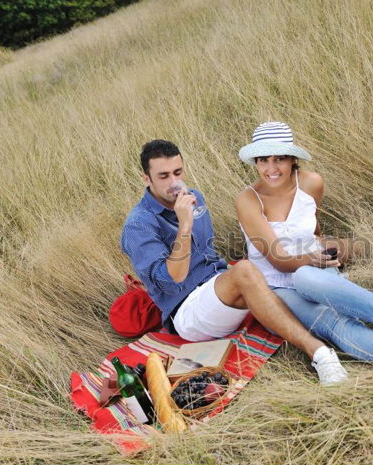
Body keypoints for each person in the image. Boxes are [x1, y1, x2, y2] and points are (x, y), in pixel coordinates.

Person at [121, 139, 348, 386]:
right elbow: (171, 279)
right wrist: (184, 224)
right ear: (147, 179)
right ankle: (320, 353)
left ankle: (340, 315)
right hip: (187, 311)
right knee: (246, 271)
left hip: (217, 286)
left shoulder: (194, 196)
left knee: (267, 267)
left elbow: (207, 253)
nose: (174, 182)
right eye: (163, 176)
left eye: (178, 172)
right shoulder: (139, 225)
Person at [235, 122, 373, 373]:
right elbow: (278, 259)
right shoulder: (248, 200)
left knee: (308, 278)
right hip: (275, 284)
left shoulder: (311, 183)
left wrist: (323, 250)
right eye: (263, 160)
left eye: (280, 159)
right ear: (255, 161)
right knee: (334, 322)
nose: (271, 169)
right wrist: (313, 258)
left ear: (292, 159)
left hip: (313, 268)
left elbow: (310, 225)